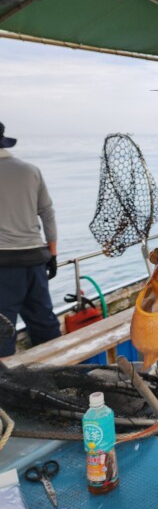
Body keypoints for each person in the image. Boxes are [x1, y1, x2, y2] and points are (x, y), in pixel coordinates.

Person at [0, 123, 60, 357]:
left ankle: (6, 391)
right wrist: (52, 254)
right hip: (35, 259)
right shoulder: (30, 170)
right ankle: (60, 376)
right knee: (44, 320)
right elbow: (47, 213)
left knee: (3, 329)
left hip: (3, 266)